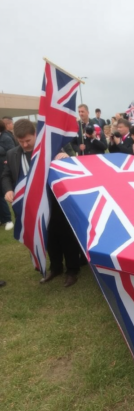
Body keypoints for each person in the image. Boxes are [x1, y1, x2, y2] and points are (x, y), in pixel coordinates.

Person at [2, 119, 80, 287]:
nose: (24, 144)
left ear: (35, 135)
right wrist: (8, 189)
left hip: (55, 202)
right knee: (47, 236)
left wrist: (65, 157)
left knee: (66, 235)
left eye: (28, 140)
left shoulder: (50, 149)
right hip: (33, 206)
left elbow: (72, 165)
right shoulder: (12, 154)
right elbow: (6, 175)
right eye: (20, 141)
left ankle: (73, 269)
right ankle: (56, 267)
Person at [0, 120, 16, 230]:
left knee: (2, 195)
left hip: (3, 170)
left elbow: (12, 152)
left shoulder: (5, 137)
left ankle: (8, 219)